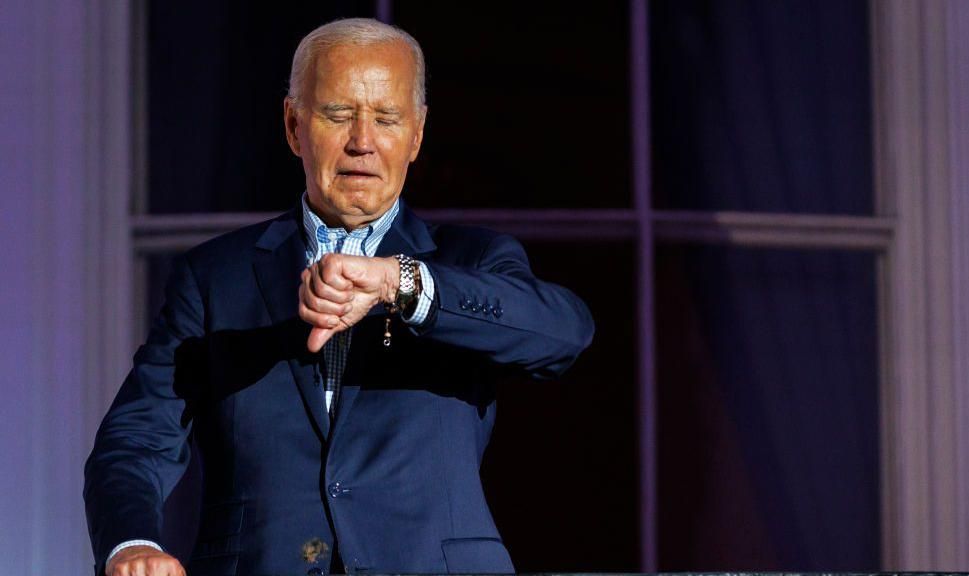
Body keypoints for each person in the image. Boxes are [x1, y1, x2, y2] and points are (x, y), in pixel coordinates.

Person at [84, 17, 594, 576]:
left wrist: (398, 282)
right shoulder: (214, 278)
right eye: (337, 114)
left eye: (387, 118)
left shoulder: (469, 261)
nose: (362, 142)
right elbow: (135, 440)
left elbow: (563, 333)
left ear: (418, 134)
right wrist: (131, 544)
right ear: (293, 125)